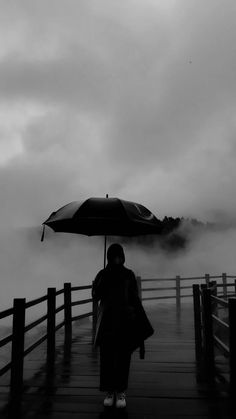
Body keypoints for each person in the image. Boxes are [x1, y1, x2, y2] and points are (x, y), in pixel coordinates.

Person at [92, 243, 154, 409]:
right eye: (113, 256)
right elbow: (95, 295)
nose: (116, 258)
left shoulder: (128, 274)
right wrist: (101, 280)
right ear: (109, 257)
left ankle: (120, 391)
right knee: (107, 357)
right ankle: (109, 391)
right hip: (107, 321)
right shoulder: (103, 274)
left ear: (123, 256)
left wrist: (138, 319)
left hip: (125, 321)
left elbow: (134, 297)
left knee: (123, 357)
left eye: (119, 255)